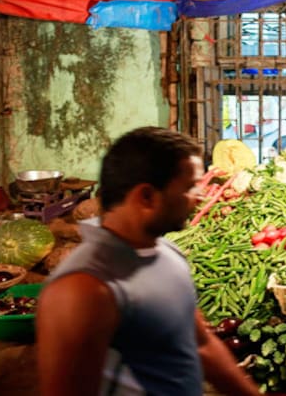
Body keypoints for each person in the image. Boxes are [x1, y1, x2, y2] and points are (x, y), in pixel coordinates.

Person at [36, 127, 260, 396]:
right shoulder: (83, 288)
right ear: (146, 196)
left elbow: (201, 344)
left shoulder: (167, 254)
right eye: (189, 187)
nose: (199, 196)